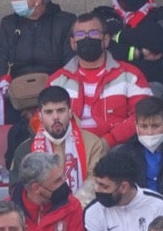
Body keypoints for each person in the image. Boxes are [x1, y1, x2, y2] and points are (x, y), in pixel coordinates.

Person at [48, 13, 152, 148]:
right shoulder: (56, 81)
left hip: (117, 148)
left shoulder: (131, 75)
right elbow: (44, 119)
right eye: (80, 34)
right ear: (73, 43)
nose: (87, 38)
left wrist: (109, 140)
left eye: (93, 33)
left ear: (106, 40)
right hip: (69, 148)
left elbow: (144, 115)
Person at [0, 0, 75, 121]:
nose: (13, 1)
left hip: (55, 97)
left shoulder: (65, 22)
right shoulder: (9, 24)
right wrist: (18, 100)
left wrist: (42, 104)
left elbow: (71, 66)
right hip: (16, 99)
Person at [9, 86, 108, 198]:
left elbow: (97, 181)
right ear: (40, 116)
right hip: (42, 208)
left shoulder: (93, 143)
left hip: (83, 207)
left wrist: (75, 205)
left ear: (70, 112)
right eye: (49, 112)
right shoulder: (25, 149)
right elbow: (16, 191)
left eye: (61, 110)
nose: (55, 117)